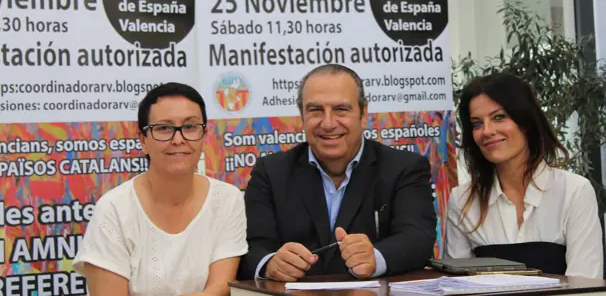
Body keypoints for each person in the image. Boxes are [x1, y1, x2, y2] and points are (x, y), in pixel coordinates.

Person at [237, 65, 437, 281]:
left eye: (341, 109)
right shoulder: (270, 172)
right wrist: (270, 263)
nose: (328, 123)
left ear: (363, 114)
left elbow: (418, 238)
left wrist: (376, 258)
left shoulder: (405, 167)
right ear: (302, 116)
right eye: (315, 110)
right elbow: (249, 246)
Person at [72, 82, 248, 296]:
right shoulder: (113, 209)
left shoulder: (227, 199)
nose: (178, 139)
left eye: (190, 127)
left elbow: (221, 288)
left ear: (204, 137)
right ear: (143, 140)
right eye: (164, 128)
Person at [445, 72, 603, 278]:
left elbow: (585, 287)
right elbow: (457, 288)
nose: (487, 131)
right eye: (477, 123)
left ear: (526, 121)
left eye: (498, 117)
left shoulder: (574, 191)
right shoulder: (462, 200)